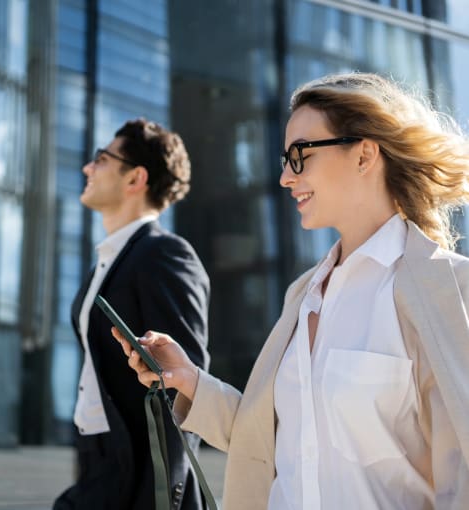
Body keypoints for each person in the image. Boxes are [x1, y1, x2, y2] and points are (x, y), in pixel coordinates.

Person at [113, 72, 469, 510]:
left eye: (300, 154)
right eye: (285, 158)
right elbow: (275, 441)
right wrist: (189, 380)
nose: (285, 176)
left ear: (364, 155)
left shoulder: (449, 288)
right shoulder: (305, 293)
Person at [53, 119, 210, 510]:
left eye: (101, 159)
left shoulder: (164, 254)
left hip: (139, 473)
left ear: (135, 178)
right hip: (98, 458)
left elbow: (183, 383)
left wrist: (166, 493)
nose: (88, 168)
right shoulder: (107, 261)